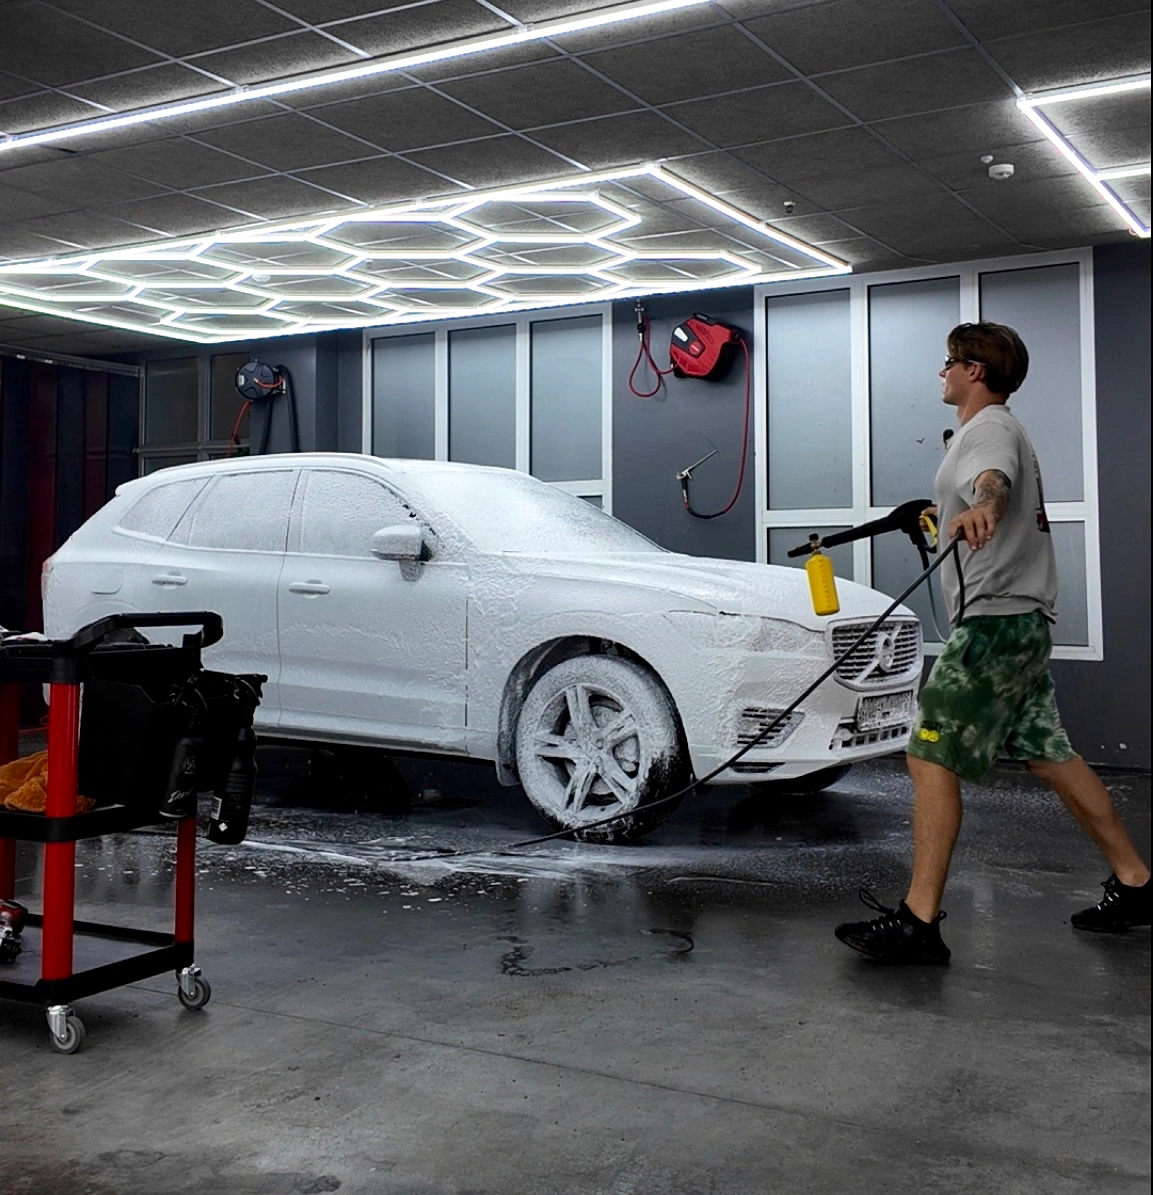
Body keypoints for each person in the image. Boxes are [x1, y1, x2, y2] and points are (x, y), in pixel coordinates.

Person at [834, 321, 1151, 964]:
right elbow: (982, 484)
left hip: (996, 623)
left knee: (929, 756)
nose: (942, 373)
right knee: (1048, 753)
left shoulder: (990, 429)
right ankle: (1139, 883)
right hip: (1022, 621)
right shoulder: (994, 431)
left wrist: (984, 506)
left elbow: (993, 482)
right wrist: (942, 515)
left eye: (949, 362)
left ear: (975, 370)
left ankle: (918, 923)